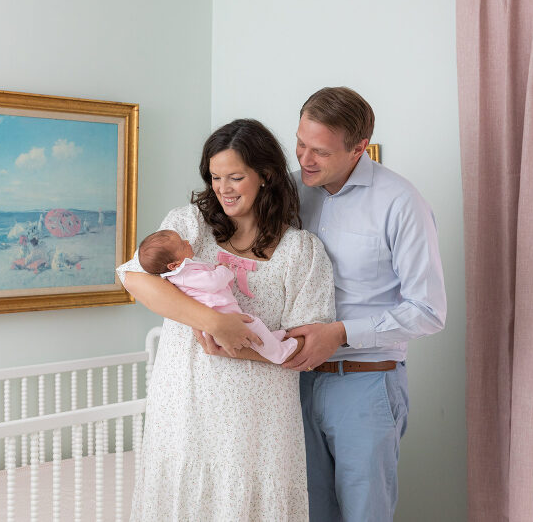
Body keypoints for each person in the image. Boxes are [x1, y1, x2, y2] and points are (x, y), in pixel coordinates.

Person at [118, 118, 335, 521]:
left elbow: (310, 347)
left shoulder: (301, 252)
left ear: (266, 176)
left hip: (258, 426)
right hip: (184, 412)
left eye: (235, 177)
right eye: (215, 177)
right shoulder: (189, 227)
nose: (223, 188)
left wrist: (239, 348)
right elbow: (134, 278)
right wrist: (215, 323)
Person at [282, 86, 447, 521]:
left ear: (359, 148)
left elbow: (428, 310)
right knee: (304, 513)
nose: (304, 159)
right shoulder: (291, 193)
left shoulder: (401, 203)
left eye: (320, 151)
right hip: (293, 385)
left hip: (366, 386)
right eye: (300, 143)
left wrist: (339, 333)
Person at [137, 229, 300, 364]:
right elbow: (213, 283)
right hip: (221, 318)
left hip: (222, 313)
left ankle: (271, 340)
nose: (187, 242)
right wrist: (223, 269)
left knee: (253, 327)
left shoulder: (184, 271)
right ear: (174, 265)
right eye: (182, 244)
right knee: (253, 324)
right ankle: (279, 353)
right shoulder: (183, 274)